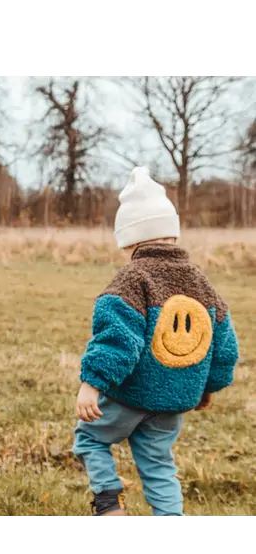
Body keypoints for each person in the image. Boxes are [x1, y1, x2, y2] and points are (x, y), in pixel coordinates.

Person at [74, 167, 240, 518]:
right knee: (159, 464)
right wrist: (208, 386)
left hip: (130, 395)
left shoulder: (132, 279)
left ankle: (108, 505)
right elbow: (223, 344)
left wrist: (91, 383)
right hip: (175, 400)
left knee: (90, 438)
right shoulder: (201, 282)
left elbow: (119, 339)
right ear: (172, 236)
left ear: (131, 241)